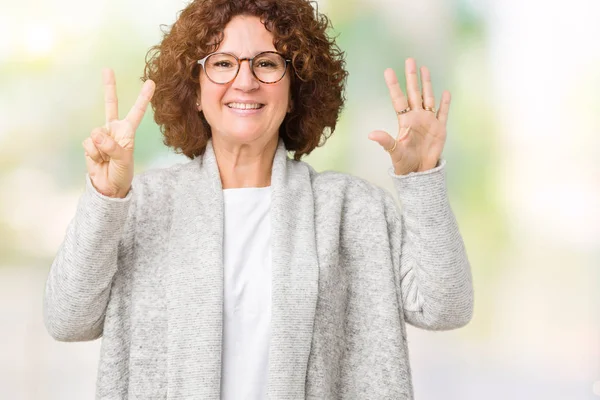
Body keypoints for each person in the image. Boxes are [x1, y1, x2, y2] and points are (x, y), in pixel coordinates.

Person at [43, 0, 474, 398]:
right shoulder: (142, 205)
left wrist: (422, 182)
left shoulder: (352, 209)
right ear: (195, 90)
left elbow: (446, 308)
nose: (244, 81)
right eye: (223, 63)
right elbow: (67, 319)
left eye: (267, 64)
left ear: (294, 91)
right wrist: (105, 196)